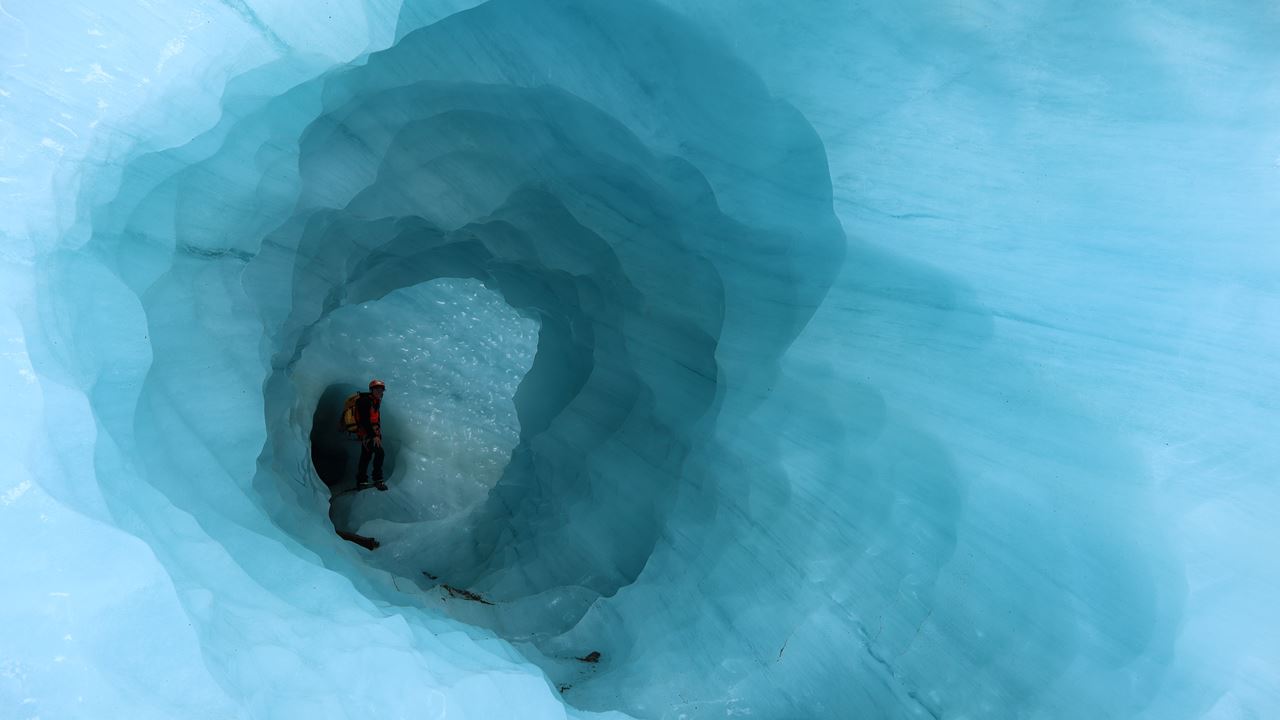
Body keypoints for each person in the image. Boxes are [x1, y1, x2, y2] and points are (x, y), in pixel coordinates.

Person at [355, 379, 387, 491]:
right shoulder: (365, 401)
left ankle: (361, 481)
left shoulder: (375, 401)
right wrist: (373, 435)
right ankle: (378, 479)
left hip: (371, 434)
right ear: (371, 390)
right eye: (377, 390)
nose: (380, 392)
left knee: (366, 456)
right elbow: (365, 420)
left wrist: (378, 434)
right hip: (367, 434)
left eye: (381, 390)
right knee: (380, 453)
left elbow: (376, 420)